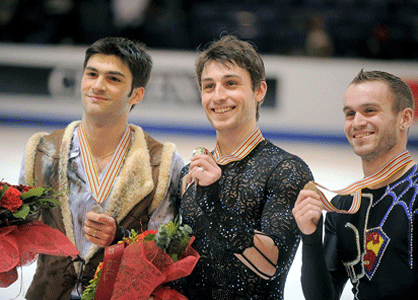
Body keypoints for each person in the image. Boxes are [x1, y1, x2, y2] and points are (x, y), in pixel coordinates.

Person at [18, 36, 184, 300]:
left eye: (113, 79)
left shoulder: (163, 163)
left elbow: (165, 252)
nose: (97, 85)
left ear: (137, 93)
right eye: (92, 74)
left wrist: (120, 237)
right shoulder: (42, 152)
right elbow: (22, 241)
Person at [174, 35, 313, 299]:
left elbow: (271, 265)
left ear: (259, 90)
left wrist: (213, 201)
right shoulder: (189, 174)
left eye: (231, 84)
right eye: (208, 86)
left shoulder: (287, 170)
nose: (219, 96)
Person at [292, 69, 418, 299]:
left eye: (370, 111)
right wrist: (310, 236)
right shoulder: (343, 206)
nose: (357, 122)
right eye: (350, 114)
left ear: (405, 118)